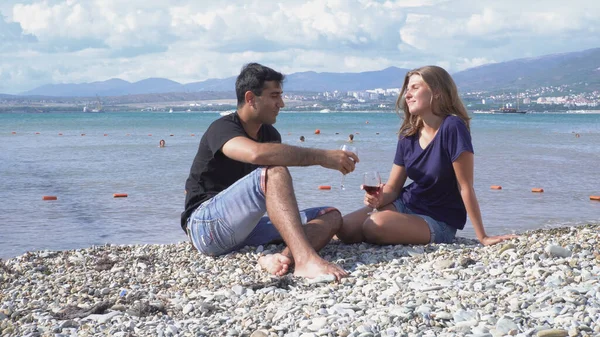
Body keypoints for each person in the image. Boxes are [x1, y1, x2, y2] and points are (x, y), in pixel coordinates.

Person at [182, 63, 359, 280]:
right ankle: (305, 261)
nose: (281, 104)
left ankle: (281, 258)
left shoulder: (270, 134)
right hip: (206, 227)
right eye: (274, 96)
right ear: (250, 98)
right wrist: (323, 157)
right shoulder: (222, 128)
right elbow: (255, 154)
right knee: (274, 171)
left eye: (281, 96)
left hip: (248, 228)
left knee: (330, 215)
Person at [337, 65, 516, 246]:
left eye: (415, 88)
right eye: (407, 90)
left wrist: (483, 237)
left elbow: (465, 186)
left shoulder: (453, 127)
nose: (407, 95)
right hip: (406, 203)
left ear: (436, 92)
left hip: (438, 219)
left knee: (373, 227)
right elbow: (393, 187)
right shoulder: (408, 135)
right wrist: (379, 198)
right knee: (345, 229)